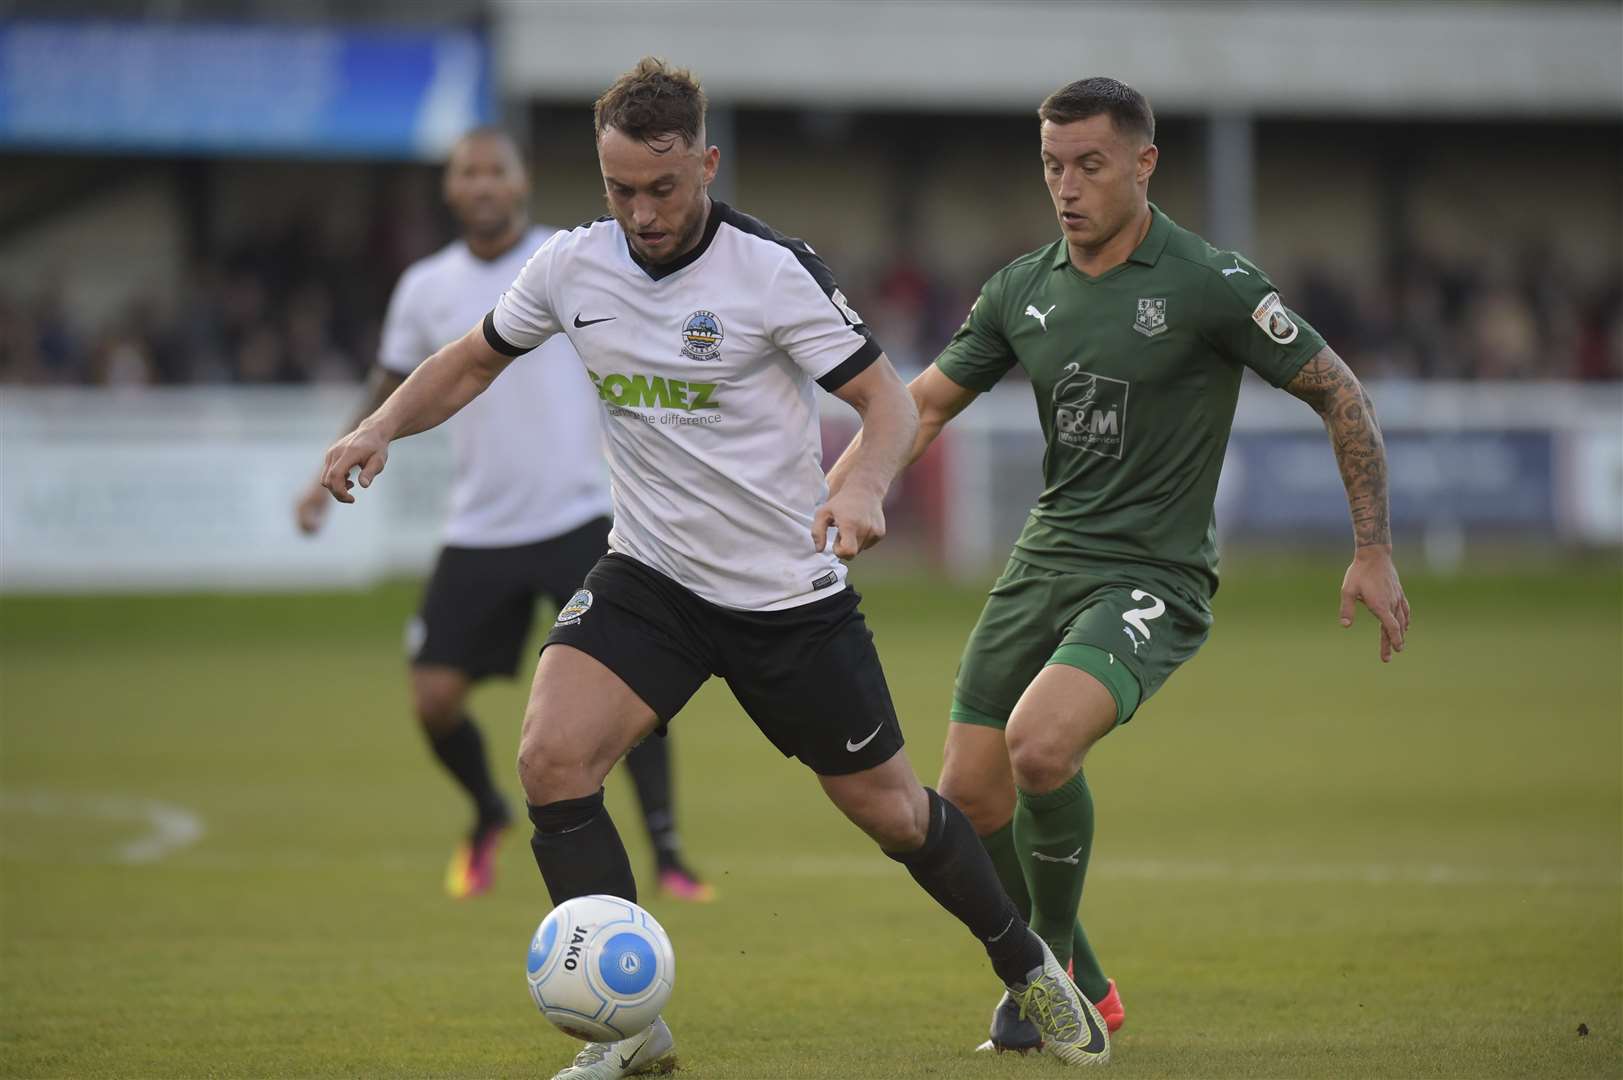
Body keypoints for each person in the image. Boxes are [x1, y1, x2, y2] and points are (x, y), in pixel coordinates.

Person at [318, 59, 1112, 1078]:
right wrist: (380, 426)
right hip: (649, 578)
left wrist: (864, 487)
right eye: (618, 191)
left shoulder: (771, 271)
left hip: (786, 597)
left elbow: (890, 404)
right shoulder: (571, 266)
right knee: (552, 763)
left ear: (706, 163)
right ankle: (629, 1033)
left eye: (661, 188)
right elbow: (472, 357)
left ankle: (1029, 967)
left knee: (895, 813)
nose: (640, 214)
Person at [829, 76, 1411, 1056]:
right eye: (1053, 166)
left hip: (1153, 574)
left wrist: (1373, 549)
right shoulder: (1022, 289)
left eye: (1090, 165)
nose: (1067, 186)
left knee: (1041, 747)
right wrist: (843, 492)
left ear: (1144, 164)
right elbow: (920, 405)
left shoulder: (1210, 283)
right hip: (1043, 560)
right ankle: (1088, 990)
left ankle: (1043, 981)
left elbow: (1338, 392)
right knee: (968, 800)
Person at [295, 127, 712, 904]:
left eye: (497, 171)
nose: (483, 184)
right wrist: (338, 458)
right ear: (451, 189)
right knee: (432, 697)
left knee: (635, 691)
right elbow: (392, 380)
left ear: (521, 184)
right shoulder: (424, 286)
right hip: (480, 523)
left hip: (582, 516)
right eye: (468, 173)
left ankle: (669, 850)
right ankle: (487, 812)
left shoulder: (573, 258)